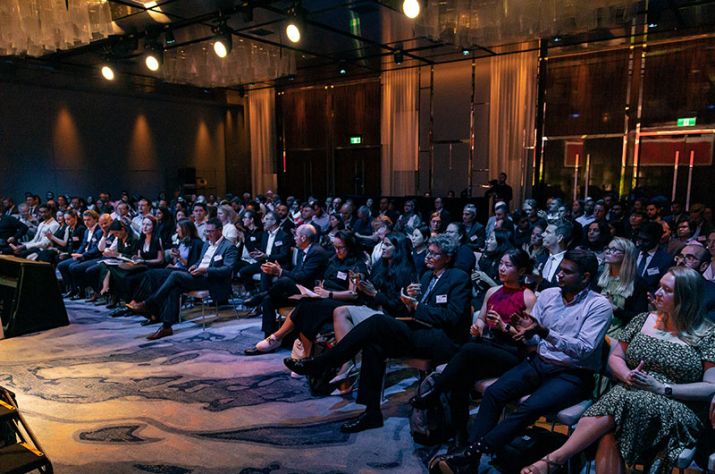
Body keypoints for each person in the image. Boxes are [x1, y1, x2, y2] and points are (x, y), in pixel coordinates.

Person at [429, 248, 612, 474]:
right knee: (494, 393)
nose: (560, 275)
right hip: (539, 360)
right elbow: (535, 334)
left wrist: (544, 333)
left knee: (529, 407)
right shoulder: (549, 294)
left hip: (572, 373)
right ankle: (468, 466)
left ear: (585, 277)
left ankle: (469, 454)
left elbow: (583, 350)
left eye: (568, 272)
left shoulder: (599, 305)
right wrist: (523, 332)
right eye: (560, 269)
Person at [521, 266, 715, 474]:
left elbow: (710, 386)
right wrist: (625, 374)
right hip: (630, 392)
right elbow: (615, 356)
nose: (657, 293)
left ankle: (554, 459)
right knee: (612, 427)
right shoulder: (643, 320)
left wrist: (661, 388)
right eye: (659, 286)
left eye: (667, 290)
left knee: (623, 402)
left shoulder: (707, 333)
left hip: (677, 404)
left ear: (686, 297)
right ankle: (553, 460)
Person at [285, 234, 471, 433]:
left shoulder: (458, 278)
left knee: (377, 322)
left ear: (448, 257)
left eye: (435, 254)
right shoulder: (426, 277)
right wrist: (407, 301)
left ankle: (323, 363)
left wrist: (416, 306)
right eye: (429, 252)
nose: (428, 256)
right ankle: (371, 412)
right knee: (374, 344)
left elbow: (452, 318)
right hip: (418, 331)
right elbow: (407, 310)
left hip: (443, 340)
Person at [410, 248, 536, 448]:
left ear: (521, 271)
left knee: (468, 349)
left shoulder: (528, 297)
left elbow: (530, 337)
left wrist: (506, 327)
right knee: (461, 379)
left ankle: (433, 393)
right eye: (501, 263)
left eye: (508, 265)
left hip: (511, 352)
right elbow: (481, 318)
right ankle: (461, 436)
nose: (501, 268)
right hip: (487, 347)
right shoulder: (492, 291)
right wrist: (478, 327)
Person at [244, 231, 368, 356]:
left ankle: (277, 338)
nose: (337, 251)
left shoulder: (356, 265)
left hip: (340, 301)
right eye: (335, 247)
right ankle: (273, 339)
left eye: (340, 248)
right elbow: (323, 279)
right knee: (272, 299)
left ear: (350, 247)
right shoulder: (334, 260)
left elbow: (353, 294)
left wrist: (328, 293)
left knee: (304, 303)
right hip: (322, 295)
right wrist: (320, 289)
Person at [127, 218, 238, 340]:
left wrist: (205, 270)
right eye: (206, 231)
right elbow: (200, 261)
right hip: (198, 275)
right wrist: (195, 266)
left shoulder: (229, 246)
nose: (208, 234)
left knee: (175, 275)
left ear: (220, 230)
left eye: (210, 231)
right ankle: (166, 326)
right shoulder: (207, 244)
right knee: (173, 287)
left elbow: (227, 270)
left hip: (211, 280)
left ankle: (149, 303)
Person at [253, 224, 331, 338]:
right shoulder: (302, 250)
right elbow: (296, 273)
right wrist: (280, 270)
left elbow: (304, 277)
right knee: (268, 300)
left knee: (284, 280)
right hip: (298, 289)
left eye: (296, 235)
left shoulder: (316, 252)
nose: (294, 238)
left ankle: (259, 297)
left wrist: (280, 272)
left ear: (303, 238)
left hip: (310, 292)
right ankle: (269, 337)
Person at [598, 237, 649, 336]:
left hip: (619, 334)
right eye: (608, 248)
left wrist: (614, 308)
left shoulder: (638, 283)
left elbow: (639, 318)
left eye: (614, 249)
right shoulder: (599, 276)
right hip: (596, 329)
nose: (608, 252)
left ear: (627, 255)